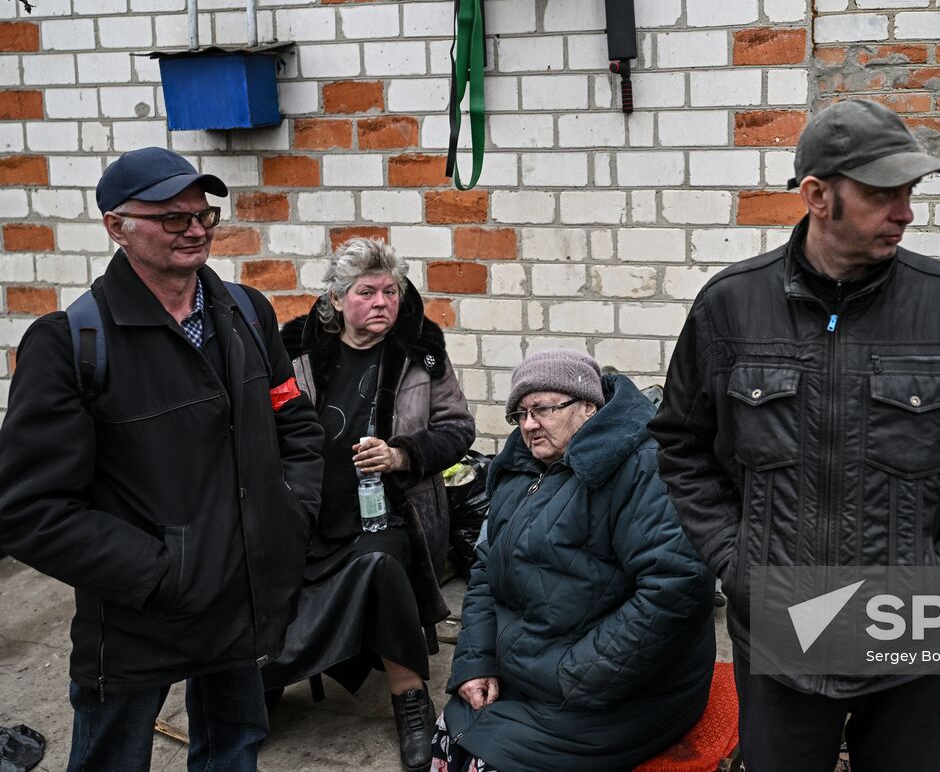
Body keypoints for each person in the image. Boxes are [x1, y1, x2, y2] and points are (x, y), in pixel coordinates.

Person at [649, 99, 940, 772]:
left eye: (909, 192)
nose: (906, 211)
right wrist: (740, 564)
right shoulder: (731, 307)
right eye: (883, 193)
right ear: (817, 195)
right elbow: (682, 444)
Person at [0, 146, 323, 772]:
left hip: (243, 603)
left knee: (233, 753)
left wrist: (291, 515)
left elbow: (295, 422)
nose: (195, 228)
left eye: (203, 214)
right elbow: (28, 510)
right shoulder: (71, 344)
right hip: (137, 619)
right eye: (172, 218)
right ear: (116, 227)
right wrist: (162, 573)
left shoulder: (248, 314)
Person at [435, 349, 715, 772]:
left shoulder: (643, 467)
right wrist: (476, 661)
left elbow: (675, 587)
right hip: (535, 668)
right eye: (520, 414)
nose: (529, 425)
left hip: (618, 687)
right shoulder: (520, 467)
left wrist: (576, 674)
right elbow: (483, 571)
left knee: (487, 760)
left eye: (542, 409)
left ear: (587, 407)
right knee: (450, 740)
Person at [263, 237, 475, 772]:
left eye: (391, 291)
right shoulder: (297, 351)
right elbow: (268, 427)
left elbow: (457, 427)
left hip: (390, 510)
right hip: (308, 509)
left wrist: (402, 454)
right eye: (367, 292)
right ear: (337, 300)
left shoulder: (421, 351)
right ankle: (261, 682)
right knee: (262, 572)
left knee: (380, 563)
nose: (383, 301)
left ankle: (409, 698)